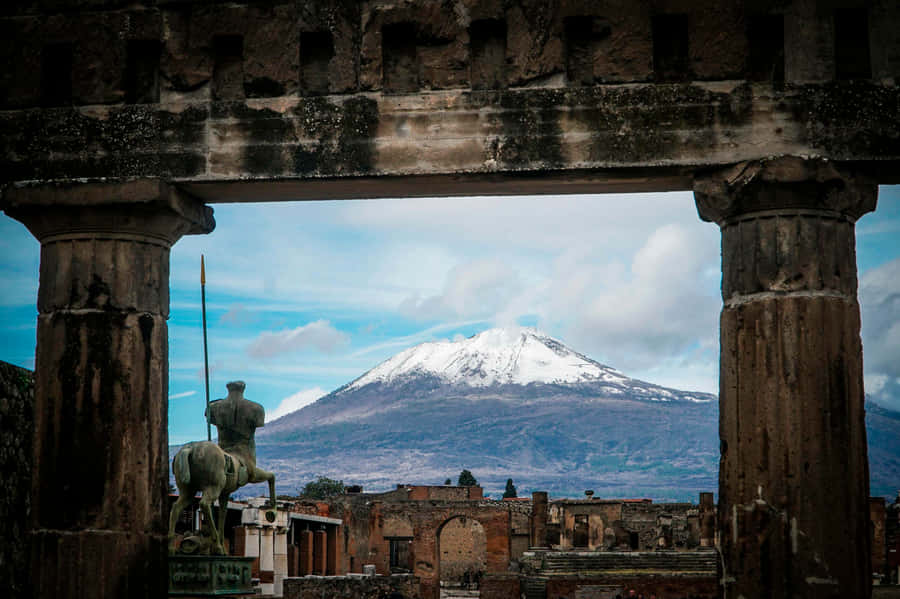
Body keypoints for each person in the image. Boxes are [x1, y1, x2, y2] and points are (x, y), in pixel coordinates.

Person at [206, 380, 275, 504]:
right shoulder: (256, 409)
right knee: (266, 475)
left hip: (221, 450)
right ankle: (272, 504)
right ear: (243, 389)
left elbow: (208, 415)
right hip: (243, 455)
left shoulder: (214, 407)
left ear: (228, 388)